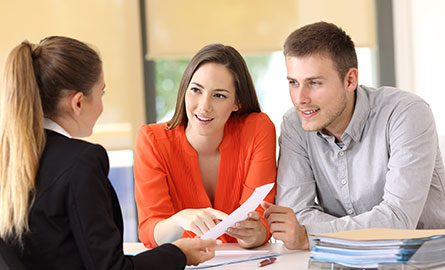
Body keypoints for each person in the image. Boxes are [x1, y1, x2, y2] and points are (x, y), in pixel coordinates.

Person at [0, 36, 218, 269]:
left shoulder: (10, 158)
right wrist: (178, 254)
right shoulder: (81, 161)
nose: (102, 106)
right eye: (101, 93)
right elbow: (111, 268)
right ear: (78, 103)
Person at [262, 21, 445, 250]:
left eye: (314, 83)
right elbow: (292, 217)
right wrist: (318, 233)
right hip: (341, 259)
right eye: (293, 83)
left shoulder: (406, 113)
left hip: (424, 258)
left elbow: (399, 220)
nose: (300, 99)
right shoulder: (295, 124)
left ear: (350, 80)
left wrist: (310, 235)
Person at [134, 44, 276, 249]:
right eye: (196, 90)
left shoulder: (257, 130)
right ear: (184, 90)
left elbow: (261, 217)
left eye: (219, 95)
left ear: (237, 102)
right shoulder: (152, 140)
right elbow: (150, 232)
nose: (203, 106)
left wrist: (257, 233)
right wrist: (179, 220)